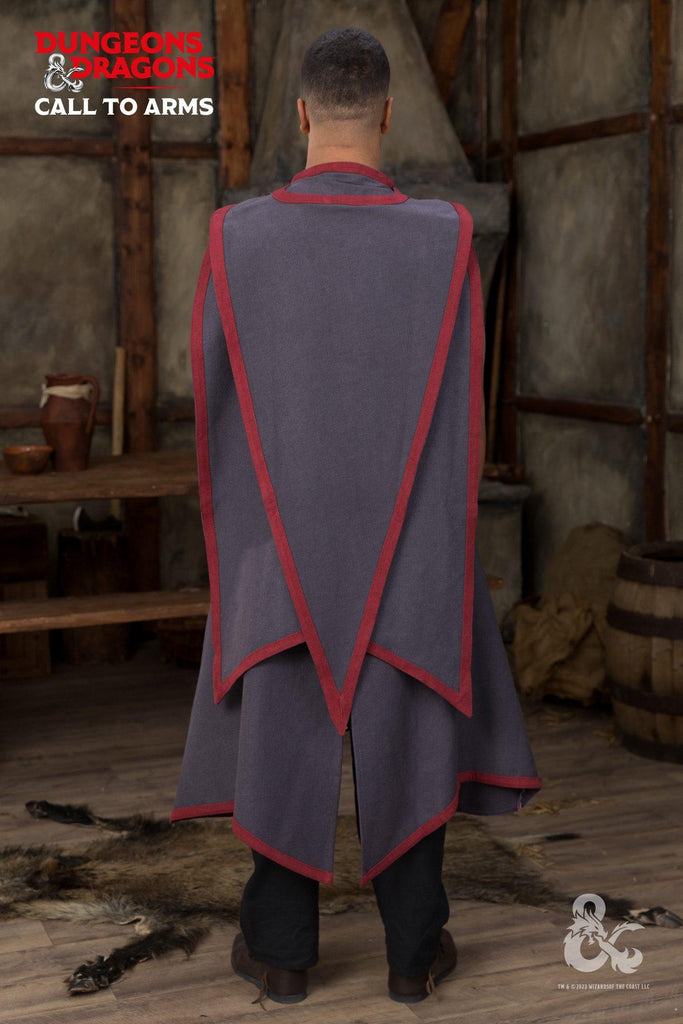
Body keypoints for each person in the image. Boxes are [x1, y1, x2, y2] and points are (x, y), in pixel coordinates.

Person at [170, 25, 542, 1006]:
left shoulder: (233, 236)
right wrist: (429, 543)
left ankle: (282, 955)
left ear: (300, 114)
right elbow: (458, 410)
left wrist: (259, 540)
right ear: (387, 114)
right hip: (408, 542)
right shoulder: (446, 237)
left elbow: (214, 399)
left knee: (282, 726)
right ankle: (412, 956)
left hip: (278, 544)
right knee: (409, 729)